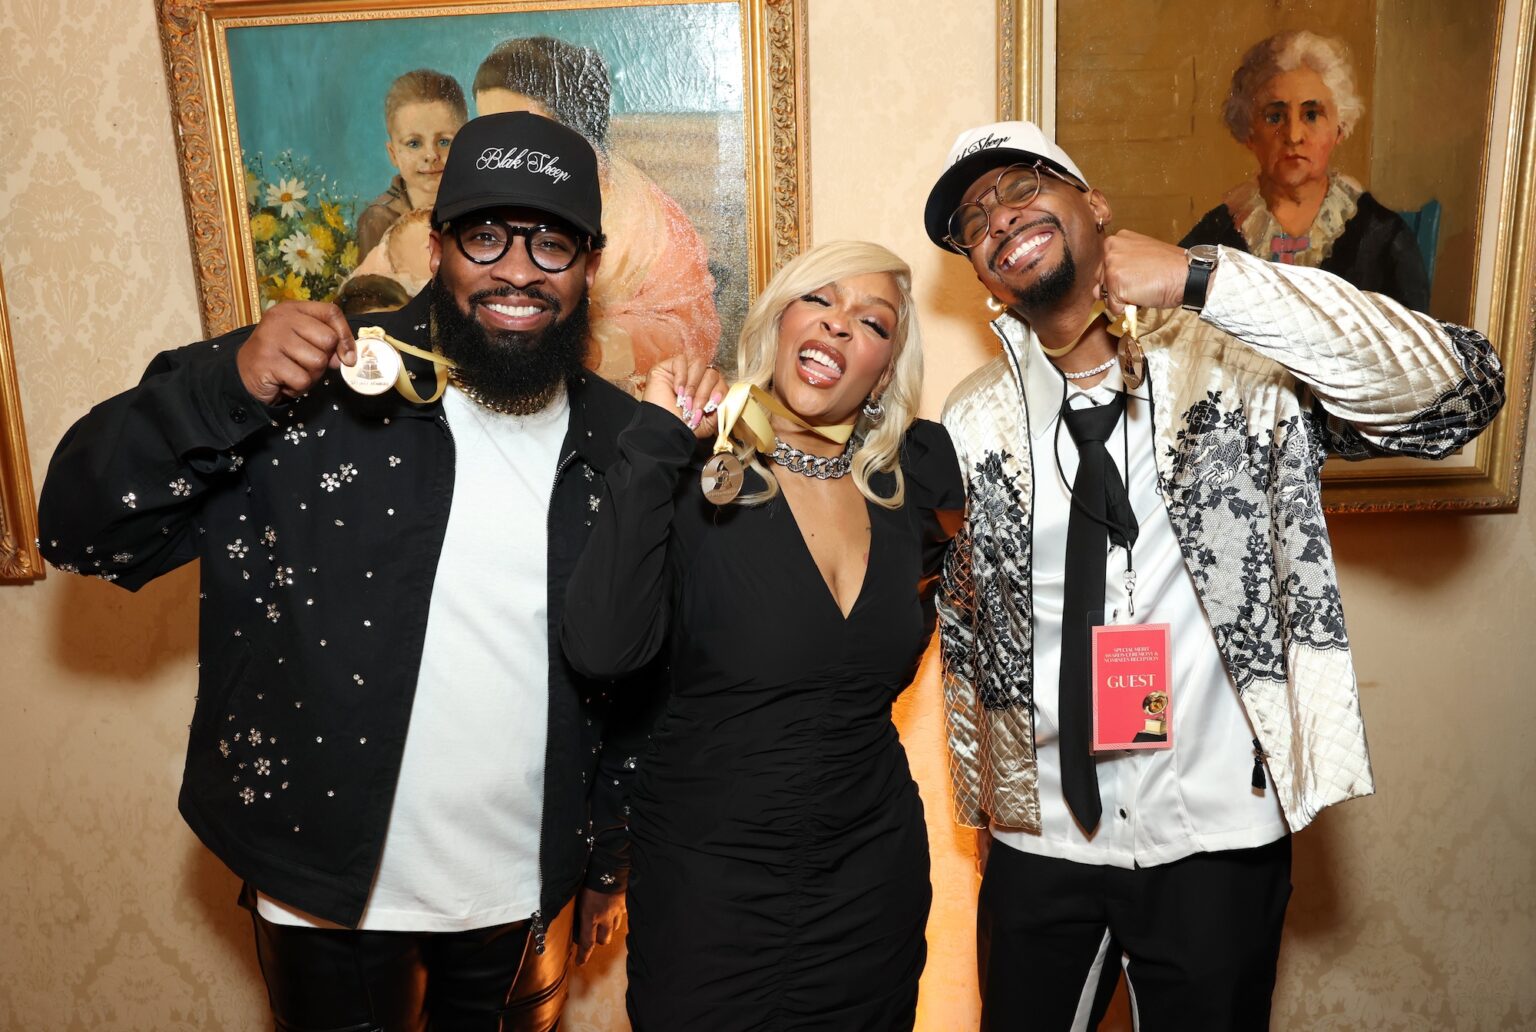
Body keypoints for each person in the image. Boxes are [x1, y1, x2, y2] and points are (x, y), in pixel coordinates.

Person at [38, 111, 650, 1032]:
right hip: (324, 892)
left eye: (552, 244)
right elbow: (80, 529)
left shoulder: (621, 441)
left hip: (523, 891)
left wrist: (606, 859)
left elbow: (635, 679)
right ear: (437, 246)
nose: (518, 270)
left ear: (590, 265)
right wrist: (224, 384)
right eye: (486, 236)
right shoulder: (315, 386)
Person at [923, 120, 1503, 1030]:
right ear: (980, 271)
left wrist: (1206, 280)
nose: (1000, 216)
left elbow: (1462, 392)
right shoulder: (972, 424)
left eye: (1024, 185)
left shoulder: (1241, 372)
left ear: (1095, 205)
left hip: (1213, 836)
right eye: (975, 217)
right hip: (1037, 845)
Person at [561, 240, 964, 1030]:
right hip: (710, 883)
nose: (841, 325)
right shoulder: (686, 461)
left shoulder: (913, 483)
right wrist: (652, 443)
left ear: (886, 368)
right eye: (821, 300)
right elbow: (601, 650)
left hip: (870, 875)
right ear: (779, 320)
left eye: (872, 321)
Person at [475, 36, 720, 388]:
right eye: (488, 130)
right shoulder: (478, 199)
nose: (503, 147)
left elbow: (693, 328)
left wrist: (590, 345)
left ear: (571, 121)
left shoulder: (647, 216)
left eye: (521, 128)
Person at [1181, 31, 1431, 311]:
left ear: (1340, 127)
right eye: (1275, 116)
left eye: (1311, 115)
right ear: (1249, 132)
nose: (1294, 135)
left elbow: (1412, 344)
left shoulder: (1384, 237)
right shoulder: (1215, 233)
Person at [356, 68, 468, 262]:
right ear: (393, 154)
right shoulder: (379, 219)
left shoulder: (479, 207)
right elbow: (374, 289)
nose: (431, 155)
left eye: (444, 142)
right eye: (414, 143)